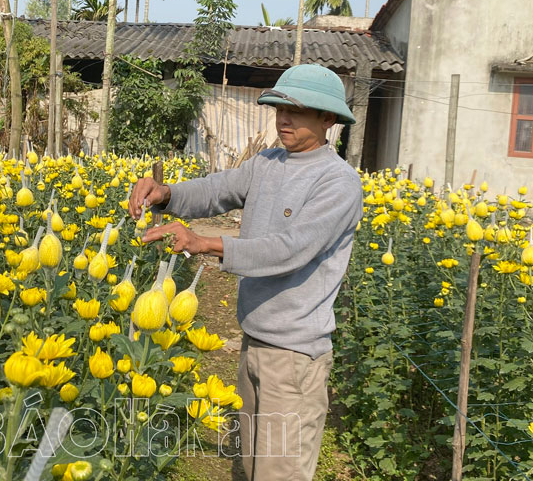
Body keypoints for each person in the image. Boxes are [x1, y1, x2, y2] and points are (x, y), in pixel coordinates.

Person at [128, 63, 363, 481]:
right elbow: (217, 190)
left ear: (328, 119)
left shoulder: (337, 181)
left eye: (298, 111)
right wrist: (167, 195)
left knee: (279, 473)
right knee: (251, 467)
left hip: (293, 357)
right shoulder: (267, 163)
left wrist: (205, 243)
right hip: (255, 342)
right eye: (278, 109)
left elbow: (291, 250)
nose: (284, 119)